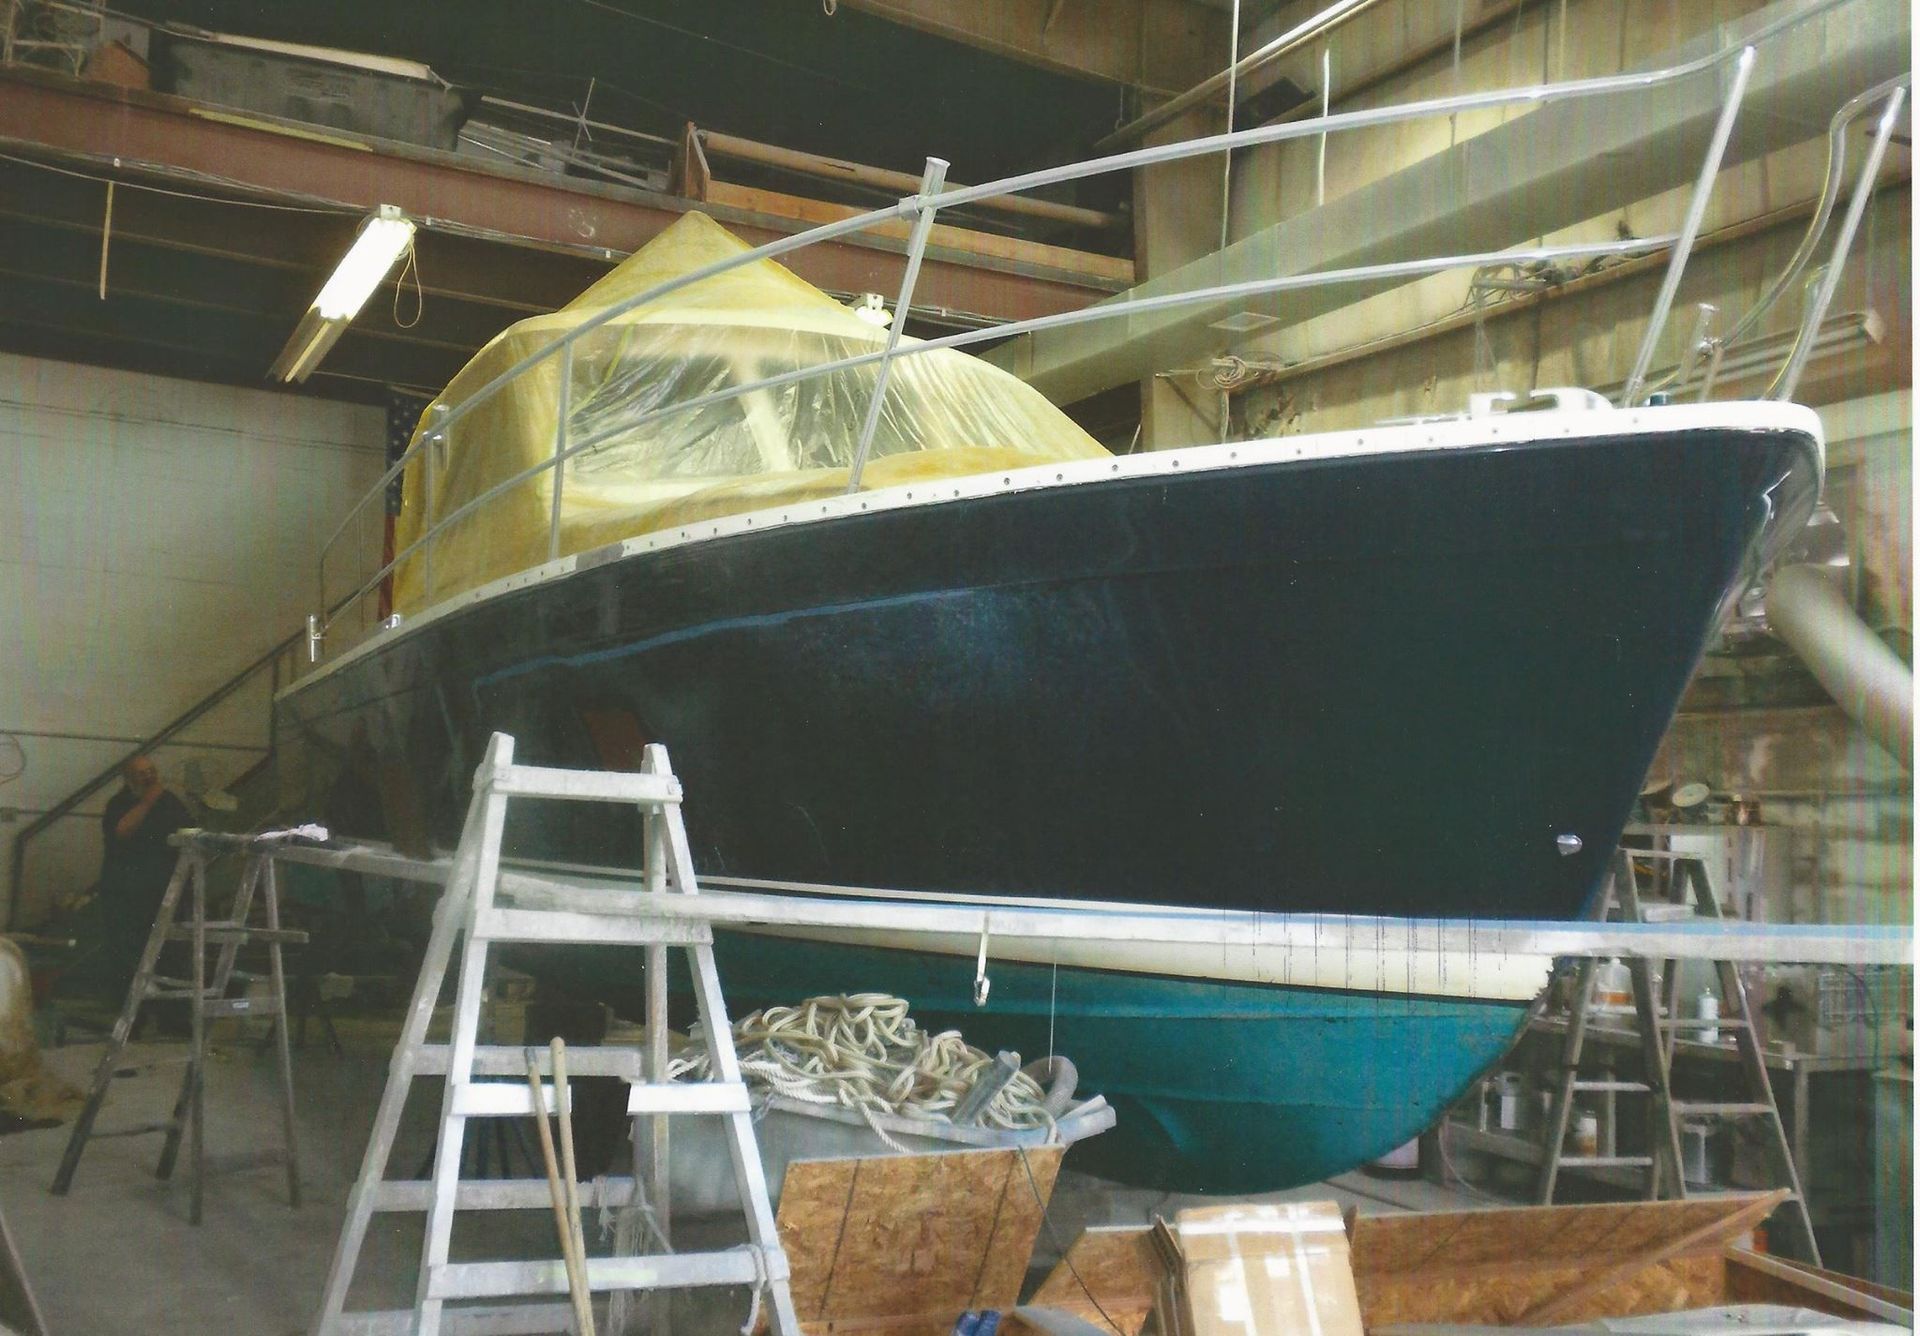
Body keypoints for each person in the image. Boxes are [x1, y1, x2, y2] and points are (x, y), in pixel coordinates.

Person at [97, 756, 192, 995]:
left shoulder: (169, 801)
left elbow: (188, 830)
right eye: (142, 773)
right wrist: (148, 802)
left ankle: (170, 1015)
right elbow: (122, 831)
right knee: (129, 953)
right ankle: (131, 1018)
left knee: (170, 952)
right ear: (128, 778)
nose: (149, 777)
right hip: (127, 892)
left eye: (152, 770)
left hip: (163, 889)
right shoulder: (118, 804)